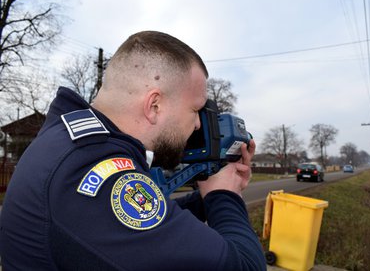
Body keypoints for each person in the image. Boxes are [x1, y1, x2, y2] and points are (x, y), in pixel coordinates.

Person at [0, 31, 266, 270]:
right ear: (154, 105)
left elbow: (150, 217)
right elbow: (245, 266)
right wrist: (224, 196)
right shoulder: (86, 168)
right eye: (195, 110)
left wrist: (208, 195)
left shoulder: (72, 144)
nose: (198, 124)